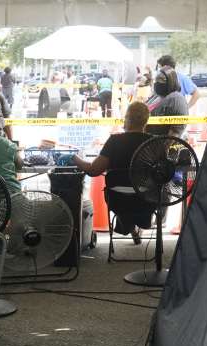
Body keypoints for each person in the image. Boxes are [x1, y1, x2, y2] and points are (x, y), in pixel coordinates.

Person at [72, 101, 155, 242]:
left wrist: (75, 158)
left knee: (124, 196)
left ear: (127, 118)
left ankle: (128, 225)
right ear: (146, 121)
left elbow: (93, 170)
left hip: (118, 200)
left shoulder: (115, 141)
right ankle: (134, 225)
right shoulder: (153, 142)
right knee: (138, 192)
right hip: (146, 200)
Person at [146, 68, 189, 139]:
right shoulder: (156, 96)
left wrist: (163, 148)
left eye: (161, 80)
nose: (157, 82)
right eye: (156, 80)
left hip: (158, 144)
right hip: (147, 142)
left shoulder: (176, 99)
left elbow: (176, 132)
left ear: (171, 80)